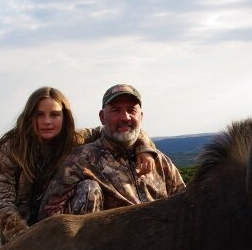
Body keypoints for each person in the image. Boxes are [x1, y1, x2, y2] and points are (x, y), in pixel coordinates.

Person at [0, 86, 156, 250]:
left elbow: (120, 128)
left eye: (54, 114)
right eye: (39, 114)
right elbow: (2, 203)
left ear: (65, 117)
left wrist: (144, 147)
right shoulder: (10, 149)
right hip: (18, 235)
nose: (47, 121)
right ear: (29, 116)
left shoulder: (75, 139)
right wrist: (28, 241)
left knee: (89, 188)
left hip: (57, 225)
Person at [40, 84, 185, 219]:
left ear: (141, 116)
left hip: (161, 242)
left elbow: (186, 203)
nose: (125, 117)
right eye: (116, 110)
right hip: (107, 243)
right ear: (102, 117)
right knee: (89, 188)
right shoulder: (81, 160)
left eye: (131, 110)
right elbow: (48, 215)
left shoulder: (160, 161)